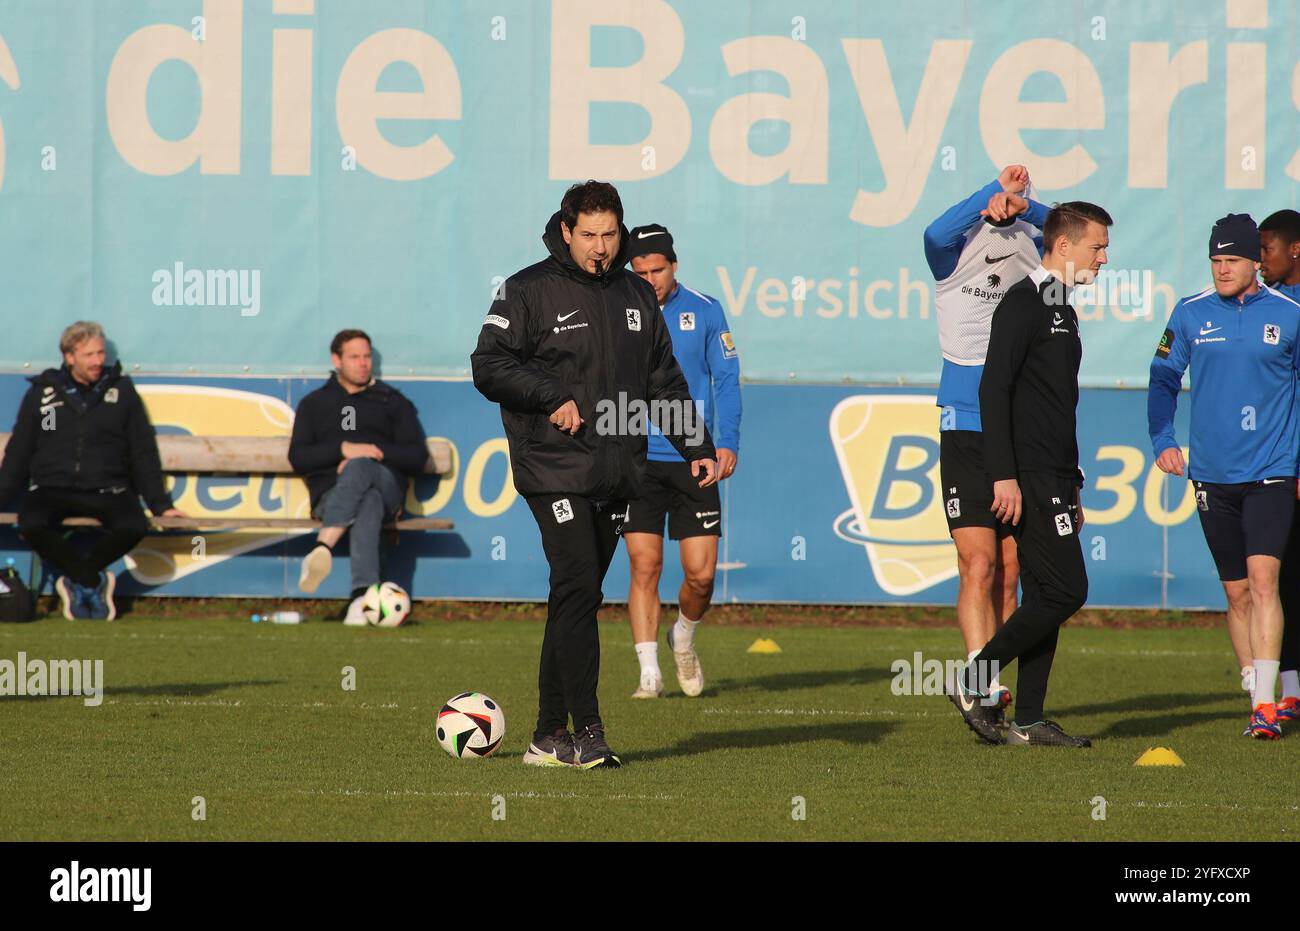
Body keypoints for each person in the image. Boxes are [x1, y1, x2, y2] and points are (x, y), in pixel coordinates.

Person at [471, 181, 718, 769]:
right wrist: (550, 394)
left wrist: (695, 445)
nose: (600, 247)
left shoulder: (636, 292)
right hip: (553, 465)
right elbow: (488, 365)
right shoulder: (526, 289)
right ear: (565, 230)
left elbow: (662, 379)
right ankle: (590, 732)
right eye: (589, 236)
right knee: (579, 585)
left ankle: (546, 735)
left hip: (616, 470)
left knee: (574, 598)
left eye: (610, 235)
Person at [947, 201, 1113, 748]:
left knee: (1045, 591)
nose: (1104, 258)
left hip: (1058, 475)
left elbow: (1058, 403)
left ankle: (1032, 717)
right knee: (1068, 589)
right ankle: (973, 679)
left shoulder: (1058, 304)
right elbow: (993, 388)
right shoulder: (1023, 300)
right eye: (1097, 246)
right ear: (1063, 247)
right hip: (1031, 476)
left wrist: (1076, 479)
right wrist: (1004, 475)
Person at [1148, 214, 1300, 740]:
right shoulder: (1189, 314)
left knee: (1264, 582)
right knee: (1236, 593)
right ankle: (1255, 686)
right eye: (1215, 260)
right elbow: (1163, 378)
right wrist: (1163, 440)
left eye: (1231, 259)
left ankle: (1265, 706)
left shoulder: (1291, 312)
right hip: (1211, 474)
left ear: (1255, 262)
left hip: (1272, 471)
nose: (1222, 269)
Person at [923, 165, 1049, 723]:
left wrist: (1027, 209)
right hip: (966, 423)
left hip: (1020, 424)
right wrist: (987, 197)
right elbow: (933, 232)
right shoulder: (953, 251)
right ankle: (980, 684)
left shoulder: (1042, 254)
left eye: (1020, 196)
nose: (1010, 205)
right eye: (1008, 196)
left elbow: (1073, 232)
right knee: (977, 562)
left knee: (1010, 567)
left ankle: (989, 681)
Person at [621, 223, 741, 699]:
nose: (650, 279)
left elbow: (726, 380)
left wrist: (725, 441)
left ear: (674, 265)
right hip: (636, 456)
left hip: (694, 458)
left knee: (701, 575)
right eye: (641, 271)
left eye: (658, 269)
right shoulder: (619, 310)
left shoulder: (707, 311)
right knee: (643, 565)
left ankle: (683, 637)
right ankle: (648, 672)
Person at [0, 321, 186, 620]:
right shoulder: (45, 394)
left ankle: (80, 580)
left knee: (135, 525)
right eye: (88, 355)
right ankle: (91, 580)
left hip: (108, 489)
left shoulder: (121, 392)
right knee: (31, 523)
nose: (98, 361)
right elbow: (21, 451)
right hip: (53, 488)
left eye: (100, 353)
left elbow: (142, 451)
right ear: (69, 356)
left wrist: (161, 505)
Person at [289, 330, 429, 623]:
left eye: (367, 357)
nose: (363, 363)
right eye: (355, 357)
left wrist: (373, 452)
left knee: (361, 468)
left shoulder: (391, 401)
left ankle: (323, 545)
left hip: (388, 487)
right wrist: (343, 449)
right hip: (331, 496)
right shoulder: (315, 404)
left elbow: (417, 457)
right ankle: (362, 599)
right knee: (368, 500)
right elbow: (298, 458)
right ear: (336, 360)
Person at [1260, 210, 1300, 725]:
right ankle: (1288, 689)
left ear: (1295, 250)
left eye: (1266, 248)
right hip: (1278, 465)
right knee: (1284, 578)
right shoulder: (1265, 306)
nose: (1258, 257)